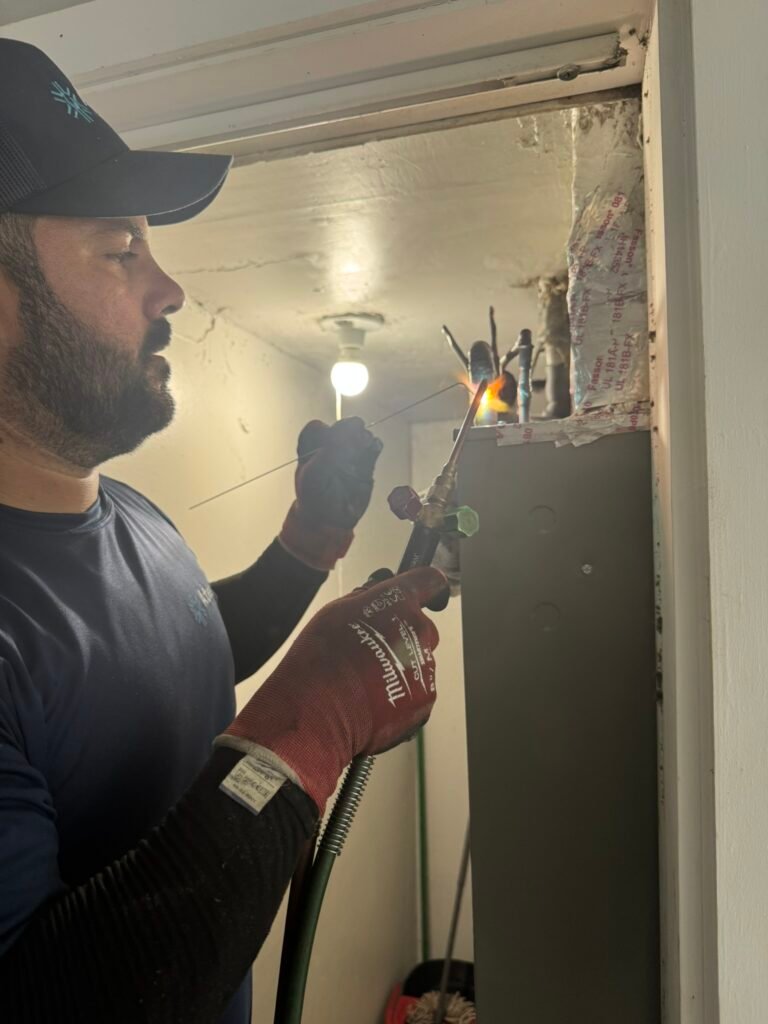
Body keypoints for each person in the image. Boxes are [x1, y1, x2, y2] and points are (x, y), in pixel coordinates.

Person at [0, 39, 444, 1023]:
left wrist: (310, 541)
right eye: (121, 250)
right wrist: (306, 731)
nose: (170, 292)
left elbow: (175, 662)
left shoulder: (131, 519)